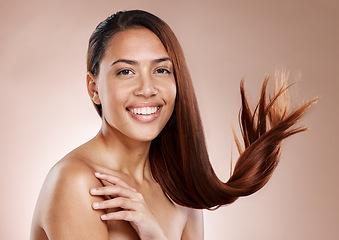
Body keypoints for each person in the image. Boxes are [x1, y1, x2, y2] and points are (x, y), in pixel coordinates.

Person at [30, 10, 316, 240]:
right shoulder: (78, 183)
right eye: (126, 71)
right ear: (94, 88)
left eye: (161, 70)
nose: (147, 88)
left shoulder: (177, 186)